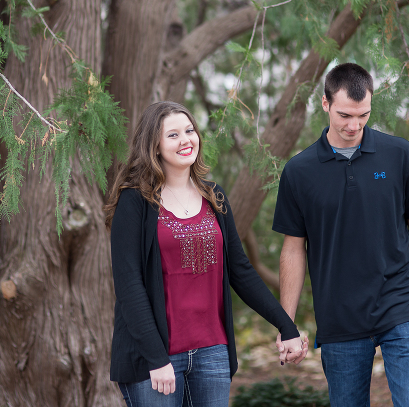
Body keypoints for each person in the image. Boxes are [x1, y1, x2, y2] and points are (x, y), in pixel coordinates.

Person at [273, 63, 409, 407]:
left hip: (401, 304)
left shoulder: (399, 154)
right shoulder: (299, 172)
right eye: (344, 115)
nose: (353, 125)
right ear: (325, 104)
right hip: (339, 315)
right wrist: (287, 324)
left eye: (363, 115)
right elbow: (293, 251)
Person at [106, 101, 307, 407]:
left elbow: (240, 271)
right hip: (155, 356)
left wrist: (286, 326)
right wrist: (156, 358)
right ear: (154, 146)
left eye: (189, 130)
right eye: (172, 135)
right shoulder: (134, 202)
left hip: (212, 351)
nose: (185, 139)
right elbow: (129, 285)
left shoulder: (214, 196)